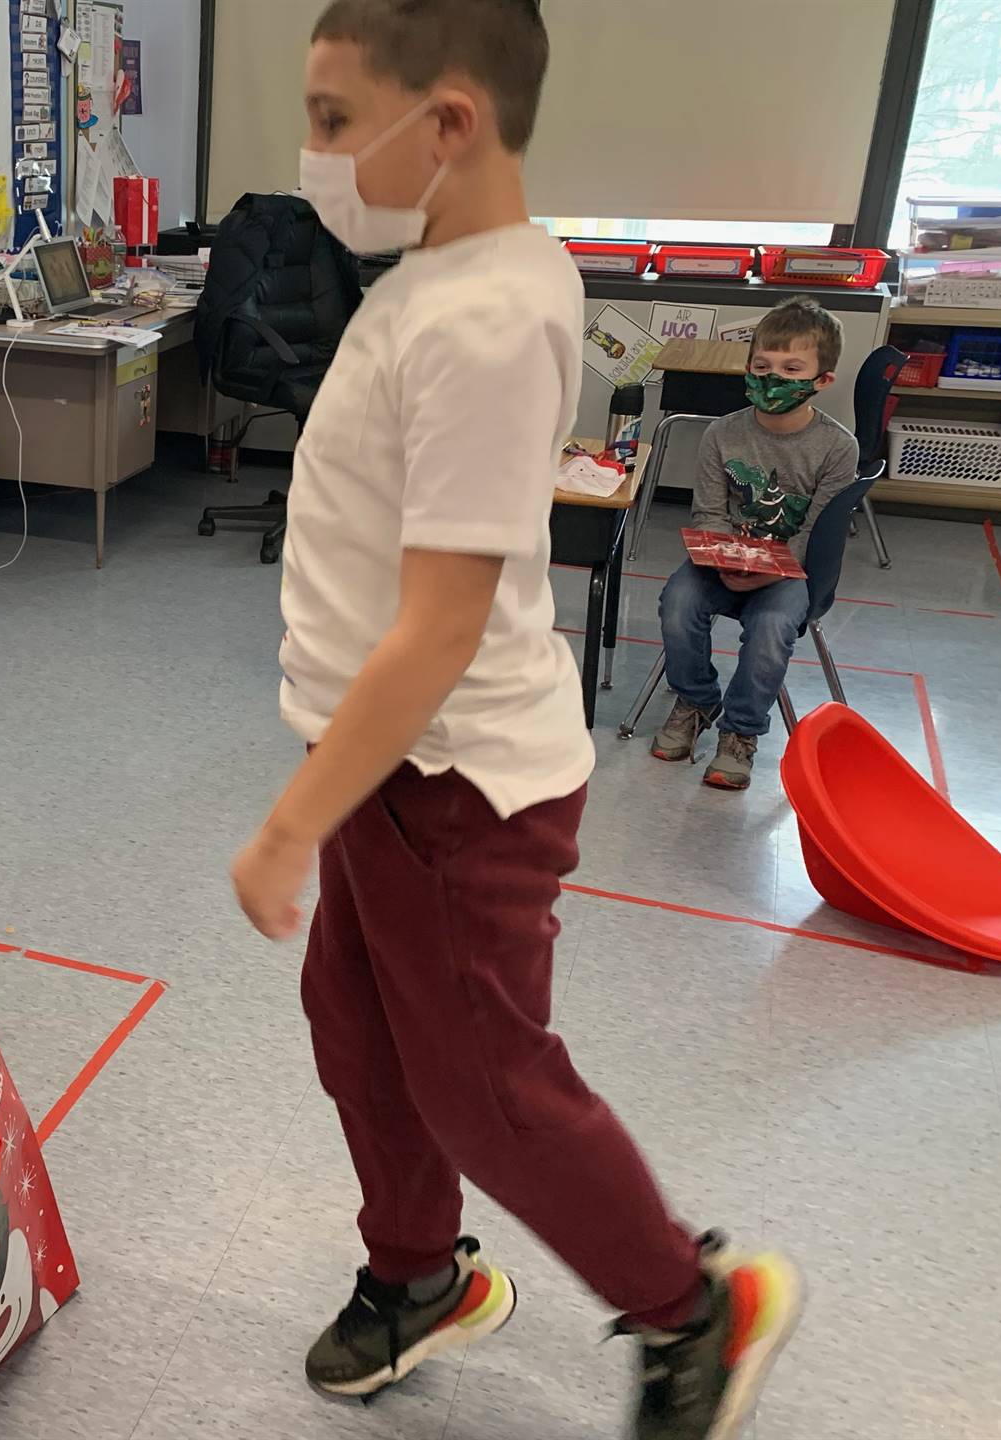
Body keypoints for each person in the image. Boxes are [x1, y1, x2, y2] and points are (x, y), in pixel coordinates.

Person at [227, 3, 801, 1437]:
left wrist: (290, 826)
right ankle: (420, 1275)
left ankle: (694, 1306)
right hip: (380, 766)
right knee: (357, 1028)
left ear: (453, 123)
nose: (316, 154)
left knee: (487, 1086)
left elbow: (436, 628)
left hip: (454, 784)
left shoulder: (486, 317)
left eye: (338, 118)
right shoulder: (443, 268)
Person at [652, 296, 859, 789]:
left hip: (791, 572)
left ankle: (741, 732)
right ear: (747, 367)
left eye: (791, 369)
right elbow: (708, 512)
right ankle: (698, 699)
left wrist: (770, 571)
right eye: (762, 366)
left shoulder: (837, 447)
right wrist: (726, 561)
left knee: (770, 628)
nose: (773, 378)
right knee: (677, 602)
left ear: (821, 380)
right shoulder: (721, 434)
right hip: (722, 563)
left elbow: (817, 534)